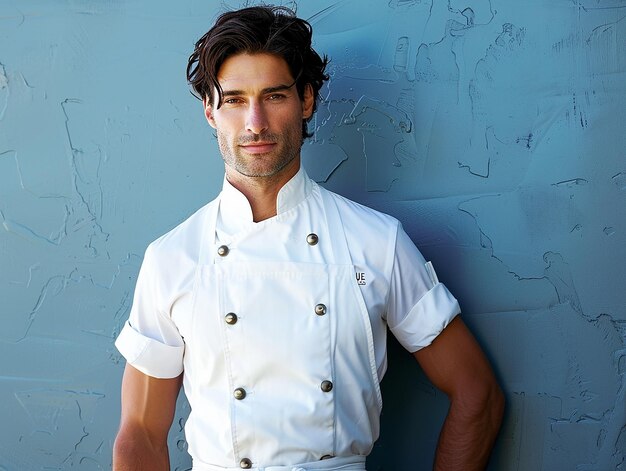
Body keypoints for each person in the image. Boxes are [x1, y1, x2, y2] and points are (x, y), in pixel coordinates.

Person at [112, 5, 504, 471]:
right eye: (234, 99)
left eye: (273, 96)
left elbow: (477, 394)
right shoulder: (172, 258)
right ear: (210, 111)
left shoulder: (376, 242)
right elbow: (139, 435)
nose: (254, 122)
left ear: (307, 100)